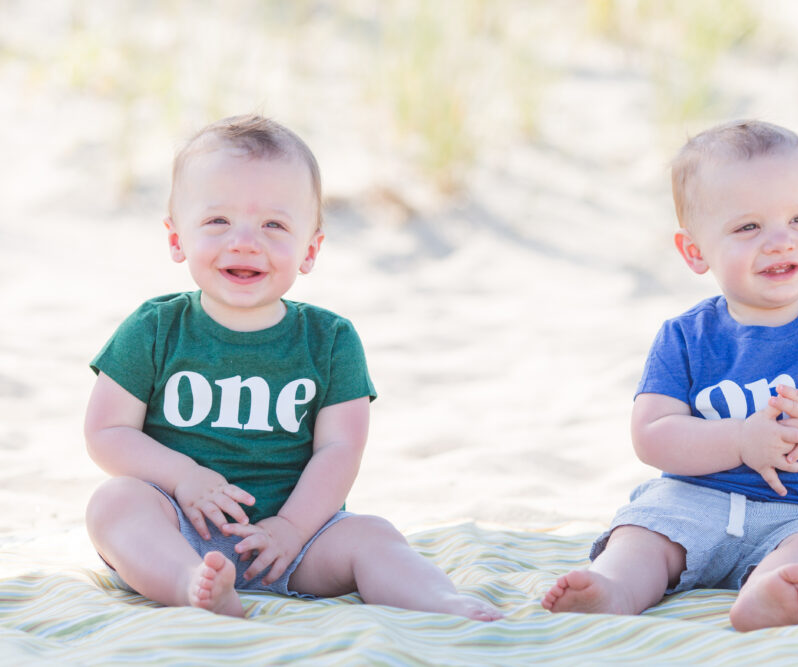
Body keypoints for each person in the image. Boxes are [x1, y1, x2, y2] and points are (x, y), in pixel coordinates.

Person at [84, 114, 502, 621]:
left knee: (374, 536)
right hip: (179, 526)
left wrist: (291, 528)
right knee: (114, 504)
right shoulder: (154, 328)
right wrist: (183, 476)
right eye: (218, 221)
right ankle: (190, 583)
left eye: (274, 225)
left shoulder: (330, 340)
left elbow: (339, 449)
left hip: (299, 541)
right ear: (176, 239)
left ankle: (440, 601)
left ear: (310, 249)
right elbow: (107, 431)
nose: (244, 241)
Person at [542, 120, 798, 631]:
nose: (779, 241)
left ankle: (773, 592)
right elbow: (652, 435)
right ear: (695, 251)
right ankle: (612, 587)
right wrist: (741, 440)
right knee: (642, 532)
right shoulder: (686, 337)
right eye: (748, 227)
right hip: (694, 500)